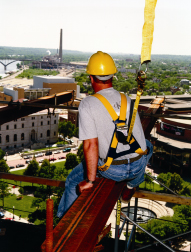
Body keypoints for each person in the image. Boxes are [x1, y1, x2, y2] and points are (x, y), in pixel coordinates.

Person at [57, 51, 153, 218]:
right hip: (138, 165)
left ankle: (65, 218)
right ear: (112, 76)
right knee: (148, 145)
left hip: (113, 170)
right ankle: (132, 185)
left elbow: (90, 145)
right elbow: (137, 134)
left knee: (72, 180)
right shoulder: (126, 98)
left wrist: (90, 181)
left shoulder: (87, 104)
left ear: (91, 78)